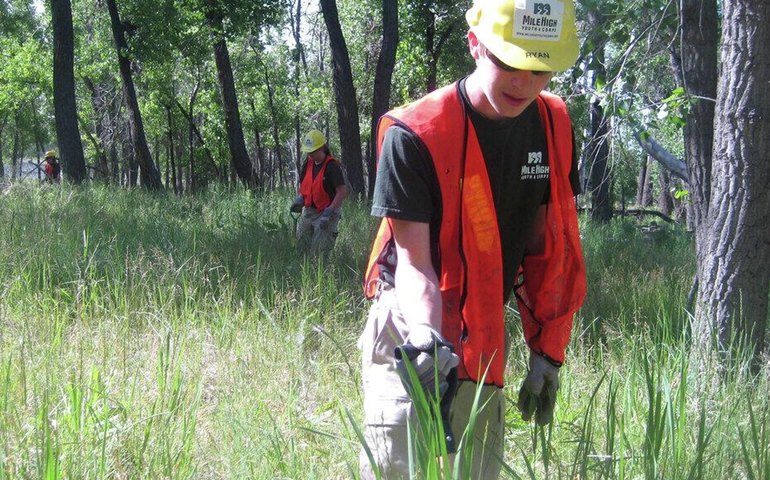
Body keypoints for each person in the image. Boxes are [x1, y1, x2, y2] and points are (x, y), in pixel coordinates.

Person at [358, 0, 587, 478]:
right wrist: (426, 340)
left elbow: (551, 247)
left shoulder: (553, 125)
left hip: (483, 327)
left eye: (538, 67)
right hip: (410, 319)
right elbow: (415, 264)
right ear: (475, 44)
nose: (522, 82)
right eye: (507, 61)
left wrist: (548, 352)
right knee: (401, 467)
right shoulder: (415, 133)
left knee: (476, 470)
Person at [290, 129, 348, 254]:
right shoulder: (307, 164)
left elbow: (342, 192)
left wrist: (329, 212)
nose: (310, 154)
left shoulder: (332, 167)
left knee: (319, 252)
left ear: (321, 148)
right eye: (308, 151)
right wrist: (300, 199)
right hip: (310, 211)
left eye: (313, 151)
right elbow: (306, 187)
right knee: (301, 247)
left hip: (328, 211)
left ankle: (320, 270)